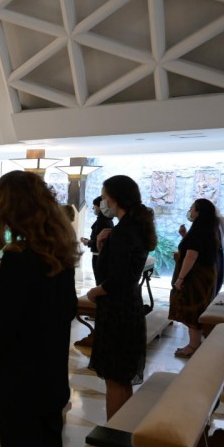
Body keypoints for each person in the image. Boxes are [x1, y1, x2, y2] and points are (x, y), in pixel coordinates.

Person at [0, 171, 79, 447]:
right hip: (52, 377)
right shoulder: (59, 255)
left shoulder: (19, 258)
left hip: (21, 383)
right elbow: (67, 310)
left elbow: (4, 323)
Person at [86, 175, 156, 420]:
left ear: (116, 199)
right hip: (128, 305)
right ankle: (122, 427)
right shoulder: (134, 226)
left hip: (117, 310)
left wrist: (94, 292)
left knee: (115, 377)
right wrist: (103, 246)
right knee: (122, 376)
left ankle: (113, 432)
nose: (102, 202)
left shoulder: (124, 231)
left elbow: (119, 279)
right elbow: (119, 267)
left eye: (105, 197)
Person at [169, 198, 222, 357]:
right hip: (205, 275)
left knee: (193, 310)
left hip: (196, 278)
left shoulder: (199, 231)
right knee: (197, 309)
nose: (190, 211)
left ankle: (193, 347)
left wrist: (180, 279)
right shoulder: (208, 228)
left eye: (192, 208)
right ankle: (195, 344)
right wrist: (185, 235)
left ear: (199, 212)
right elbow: (195, 247)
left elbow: (191, 256)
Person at [80, 196, 114, 284]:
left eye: (94, 206)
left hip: (98, 255)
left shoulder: (101, 221)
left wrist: (88, 242)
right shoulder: (108, 220)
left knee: (100, 281)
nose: (93, 208)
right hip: (103, 255)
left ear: (100, 206)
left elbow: (98, 241)